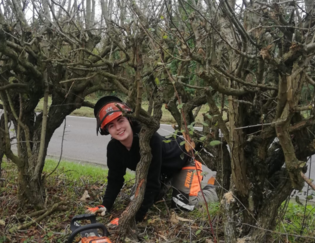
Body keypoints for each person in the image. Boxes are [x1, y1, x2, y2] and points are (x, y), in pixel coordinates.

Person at [87, 96, 218, 224]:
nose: (118, 128)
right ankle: (169, 185)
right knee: (135, 199)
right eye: (111, 126)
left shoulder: (149, 139)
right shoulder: (113, 149)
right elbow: (115, 179)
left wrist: (133, 217)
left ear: (129, 119)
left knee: (182, 204)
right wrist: (105, 205)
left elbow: (152, 185)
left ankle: (212, 184)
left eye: (121, 120)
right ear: (107, 130)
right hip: (160, 173)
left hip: (181, 163)